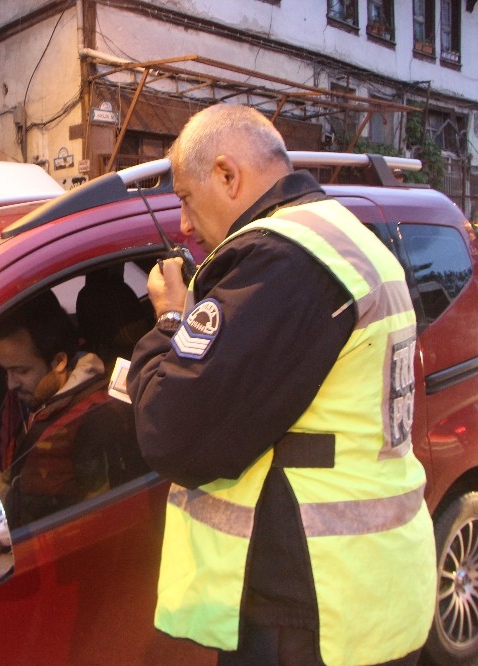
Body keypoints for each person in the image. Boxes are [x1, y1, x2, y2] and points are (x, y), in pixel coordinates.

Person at [127, 104, 436, 665]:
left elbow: (169, 430)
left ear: (227, 175)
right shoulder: (341, 235)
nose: (184, 226)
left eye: (185, 198)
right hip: (368, 590)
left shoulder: (281, 259)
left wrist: (170, 321)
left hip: (308, 611)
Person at [0, 291, 138, 525]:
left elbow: (94, 518)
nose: (10, 384)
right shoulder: (23, 398)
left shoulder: (96, 418)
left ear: (59, 362)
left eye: (21, 371)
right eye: (6, 371)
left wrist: (2, 493)